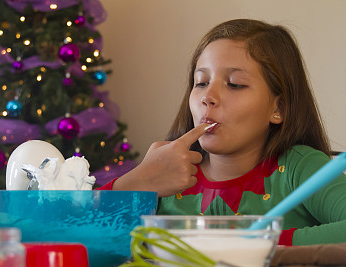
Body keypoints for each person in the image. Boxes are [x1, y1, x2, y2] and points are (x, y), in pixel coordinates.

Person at [97, 19, 346, 246]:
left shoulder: (300, 168)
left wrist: (256, 246)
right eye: (201, 83)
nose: (208, 97)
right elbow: (73, 237)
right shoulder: (166, 173)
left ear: (277, 108)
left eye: (235, 84)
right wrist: (136, 182)